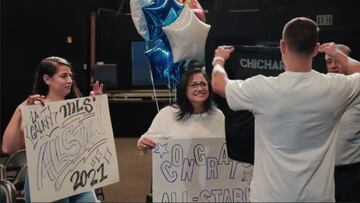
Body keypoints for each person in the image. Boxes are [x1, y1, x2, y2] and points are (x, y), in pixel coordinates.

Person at [211, 17, 360, 202]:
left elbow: (218, 83)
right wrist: (336, 52)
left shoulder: (263, 88)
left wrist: (219, 59)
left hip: (270, 197)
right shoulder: (336, 88)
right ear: (315, 49)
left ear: (282, 45)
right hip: (317, 197)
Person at [2, 56, 103, 203]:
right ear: (47, 79)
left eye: (70, 76)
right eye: (63, 76)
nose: (69, 80)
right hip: (45, 182)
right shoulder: (35, 111)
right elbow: (8, 147)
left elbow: (95, 141)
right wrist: (19, 110)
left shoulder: (79, 108)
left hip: (78, 176)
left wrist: (96, 109)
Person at [137, 61, 225, 152]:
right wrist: (143, 144)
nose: (200, 89)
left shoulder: (218, 115)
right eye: (194, 85)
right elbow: (146, 143)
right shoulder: (167, 114)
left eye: (203, 84)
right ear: (184, 90)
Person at [319, 42, 360, 202]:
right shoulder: (321, 86)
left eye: (337, 61)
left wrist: (336, 52)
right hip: (323, 170)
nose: (333, 66)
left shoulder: (358, 88)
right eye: (329, 61)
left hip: (352, 171)